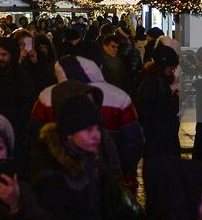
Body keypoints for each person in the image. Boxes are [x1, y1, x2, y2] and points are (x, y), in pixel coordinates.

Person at [30, 84, 136, 220]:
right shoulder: (51, 174)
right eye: (89, 130)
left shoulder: (95, 160)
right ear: (69, 132)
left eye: (98, 128)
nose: (97, 135)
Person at [0, 37, 37, 134]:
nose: (0, 58)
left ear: (12, 55)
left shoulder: (22, 77)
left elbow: (26, 106)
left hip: (15, 129)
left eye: (4, 55)